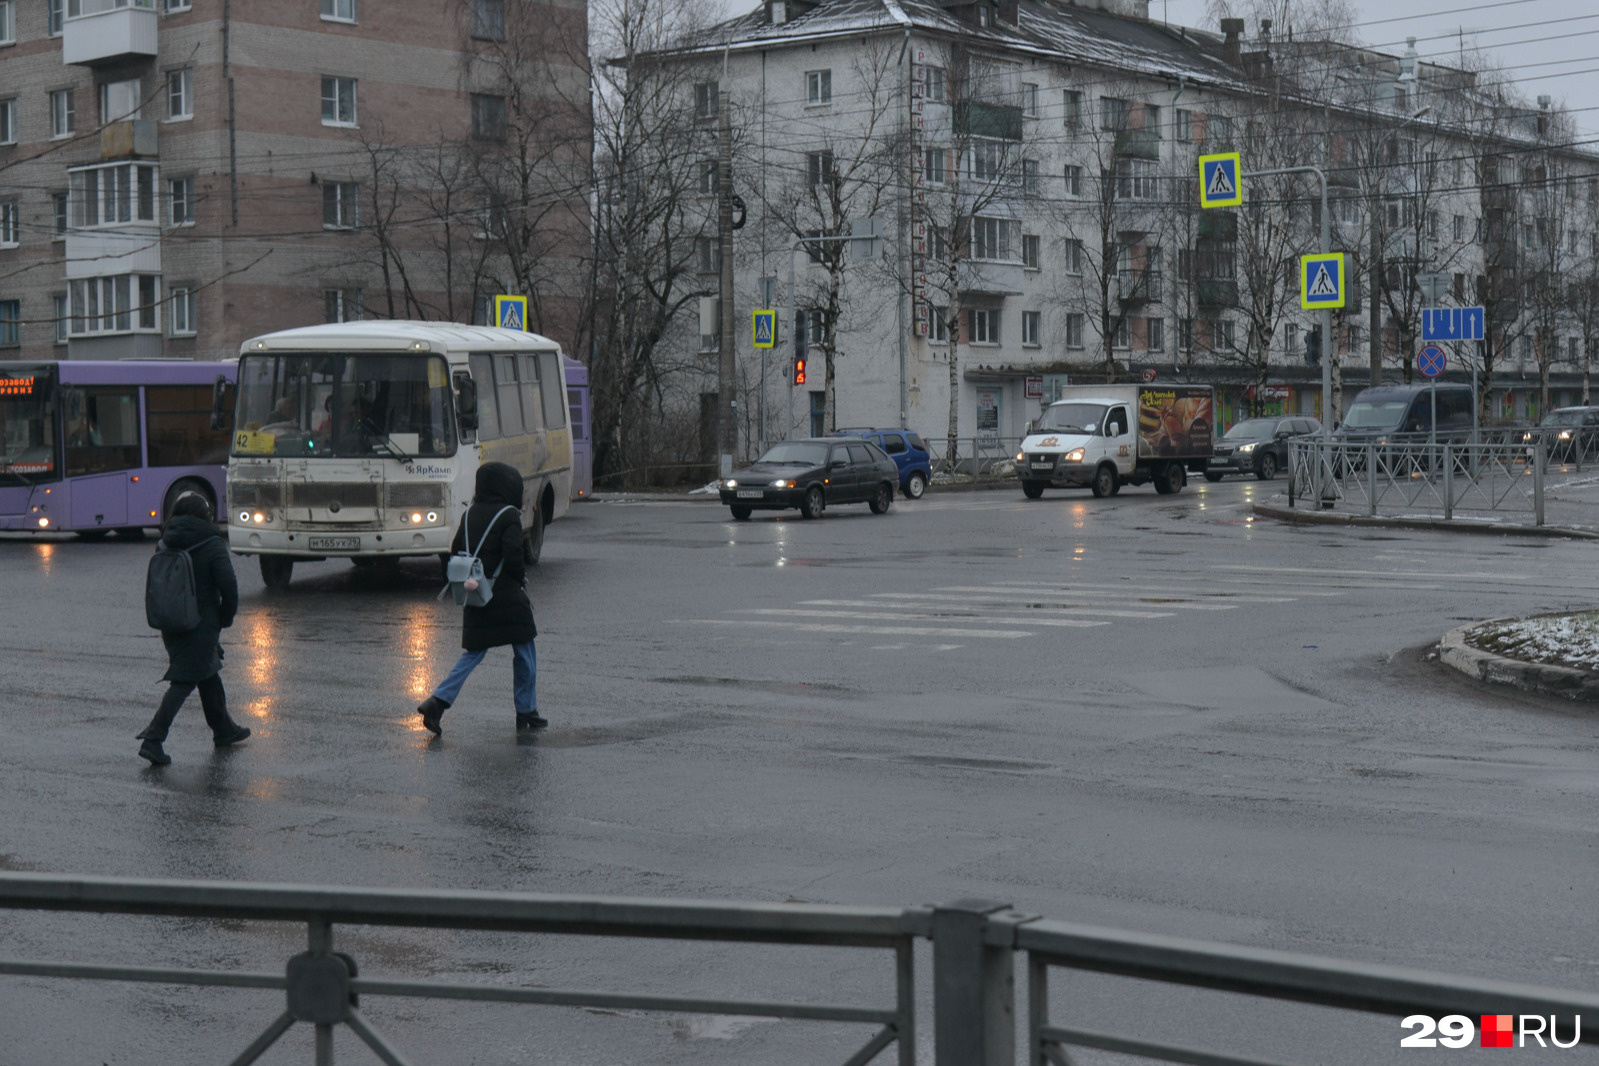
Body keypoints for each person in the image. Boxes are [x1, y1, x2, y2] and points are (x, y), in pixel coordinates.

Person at [417, 461, 543, 735]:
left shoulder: (470, 513)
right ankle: (526, 712)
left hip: (477, 596)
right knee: (525, 650)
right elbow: (513, 556)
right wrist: (520, 578)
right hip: (507, 597)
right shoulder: (509, 514)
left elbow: (455, 551)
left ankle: (436, 702)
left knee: (472, 654)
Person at [136, 492, 251, 765]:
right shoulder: (211, 543)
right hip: (201, 623)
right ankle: (154, 739)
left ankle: (223, 729)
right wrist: (225, 617)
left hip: (171, 621)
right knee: (185, 679)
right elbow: (229, 587)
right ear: (206, 515)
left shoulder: (166, 541)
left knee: (206, 670)